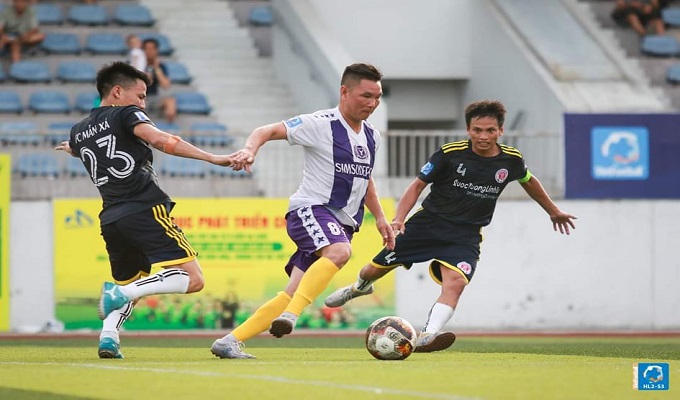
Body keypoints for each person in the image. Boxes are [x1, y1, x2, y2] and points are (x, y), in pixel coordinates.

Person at [324, 100, 577, 353]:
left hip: (465, 236)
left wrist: (553, 211)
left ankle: (428, 335)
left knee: (456, 283)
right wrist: (399, 219)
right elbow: (417, 186)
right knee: (373, 270)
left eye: (490, 130)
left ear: (501, 131)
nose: (483, 136)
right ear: (468, 130)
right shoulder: (449, 153)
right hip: (427, 225)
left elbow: (528, 181)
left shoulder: (511, 159)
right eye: (477, 130)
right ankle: (359, 288)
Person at [210, 63, 395, 359]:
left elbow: (366, 179)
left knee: (292, 291)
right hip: (311, 210)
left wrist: (381, 217)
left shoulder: (372, 135)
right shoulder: (320, 123)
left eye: (377, 97)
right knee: (340, 252)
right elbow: (265, 130)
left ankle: (228, 341)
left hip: (343, 223)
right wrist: (249, 150)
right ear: (344, 92)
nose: (372, 104)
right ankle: (292, 315)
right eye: (366, 96)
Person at [55, 62, 234, 359]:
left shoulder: (79, 131)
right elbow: (162, 140)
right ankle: (120, 293)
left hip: (111, 219)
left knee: (134, 283)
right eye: (140, 96)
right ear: (117, 92)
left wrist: (73, 148)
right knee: (192, 279)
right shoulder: (126, 114)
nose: (143, 104)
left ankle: (109, 337)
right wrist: (213, 158)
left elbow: (82, 148)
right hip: (143, 207)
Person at [143, 38, 177, 123]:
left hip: (154, 97)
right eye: (147, 49)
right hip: (140, 98)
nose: (149, 52)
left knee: (170, 101)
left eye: (152, 49)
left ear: (156, 51)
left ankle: (169, 126)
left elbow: (165, 85)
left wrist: (157, 69)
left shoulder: (161, 66)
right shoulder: (136, 64)